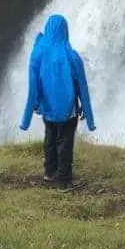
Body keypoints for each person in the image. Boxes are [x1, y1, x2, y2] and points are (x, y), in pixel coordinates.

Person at [19, 14, 96, 189]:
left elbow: (34, 86)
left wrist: (32, 109)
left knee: (50, 138)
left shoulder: (38, 54)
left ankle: (49, 172)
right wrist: (88, 116)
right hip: (69, 111)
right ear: (65, 31)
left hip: (48, 109)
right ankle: (64, 180)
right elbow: (82, 87)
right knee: (65, 143)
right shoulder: (72, 56)